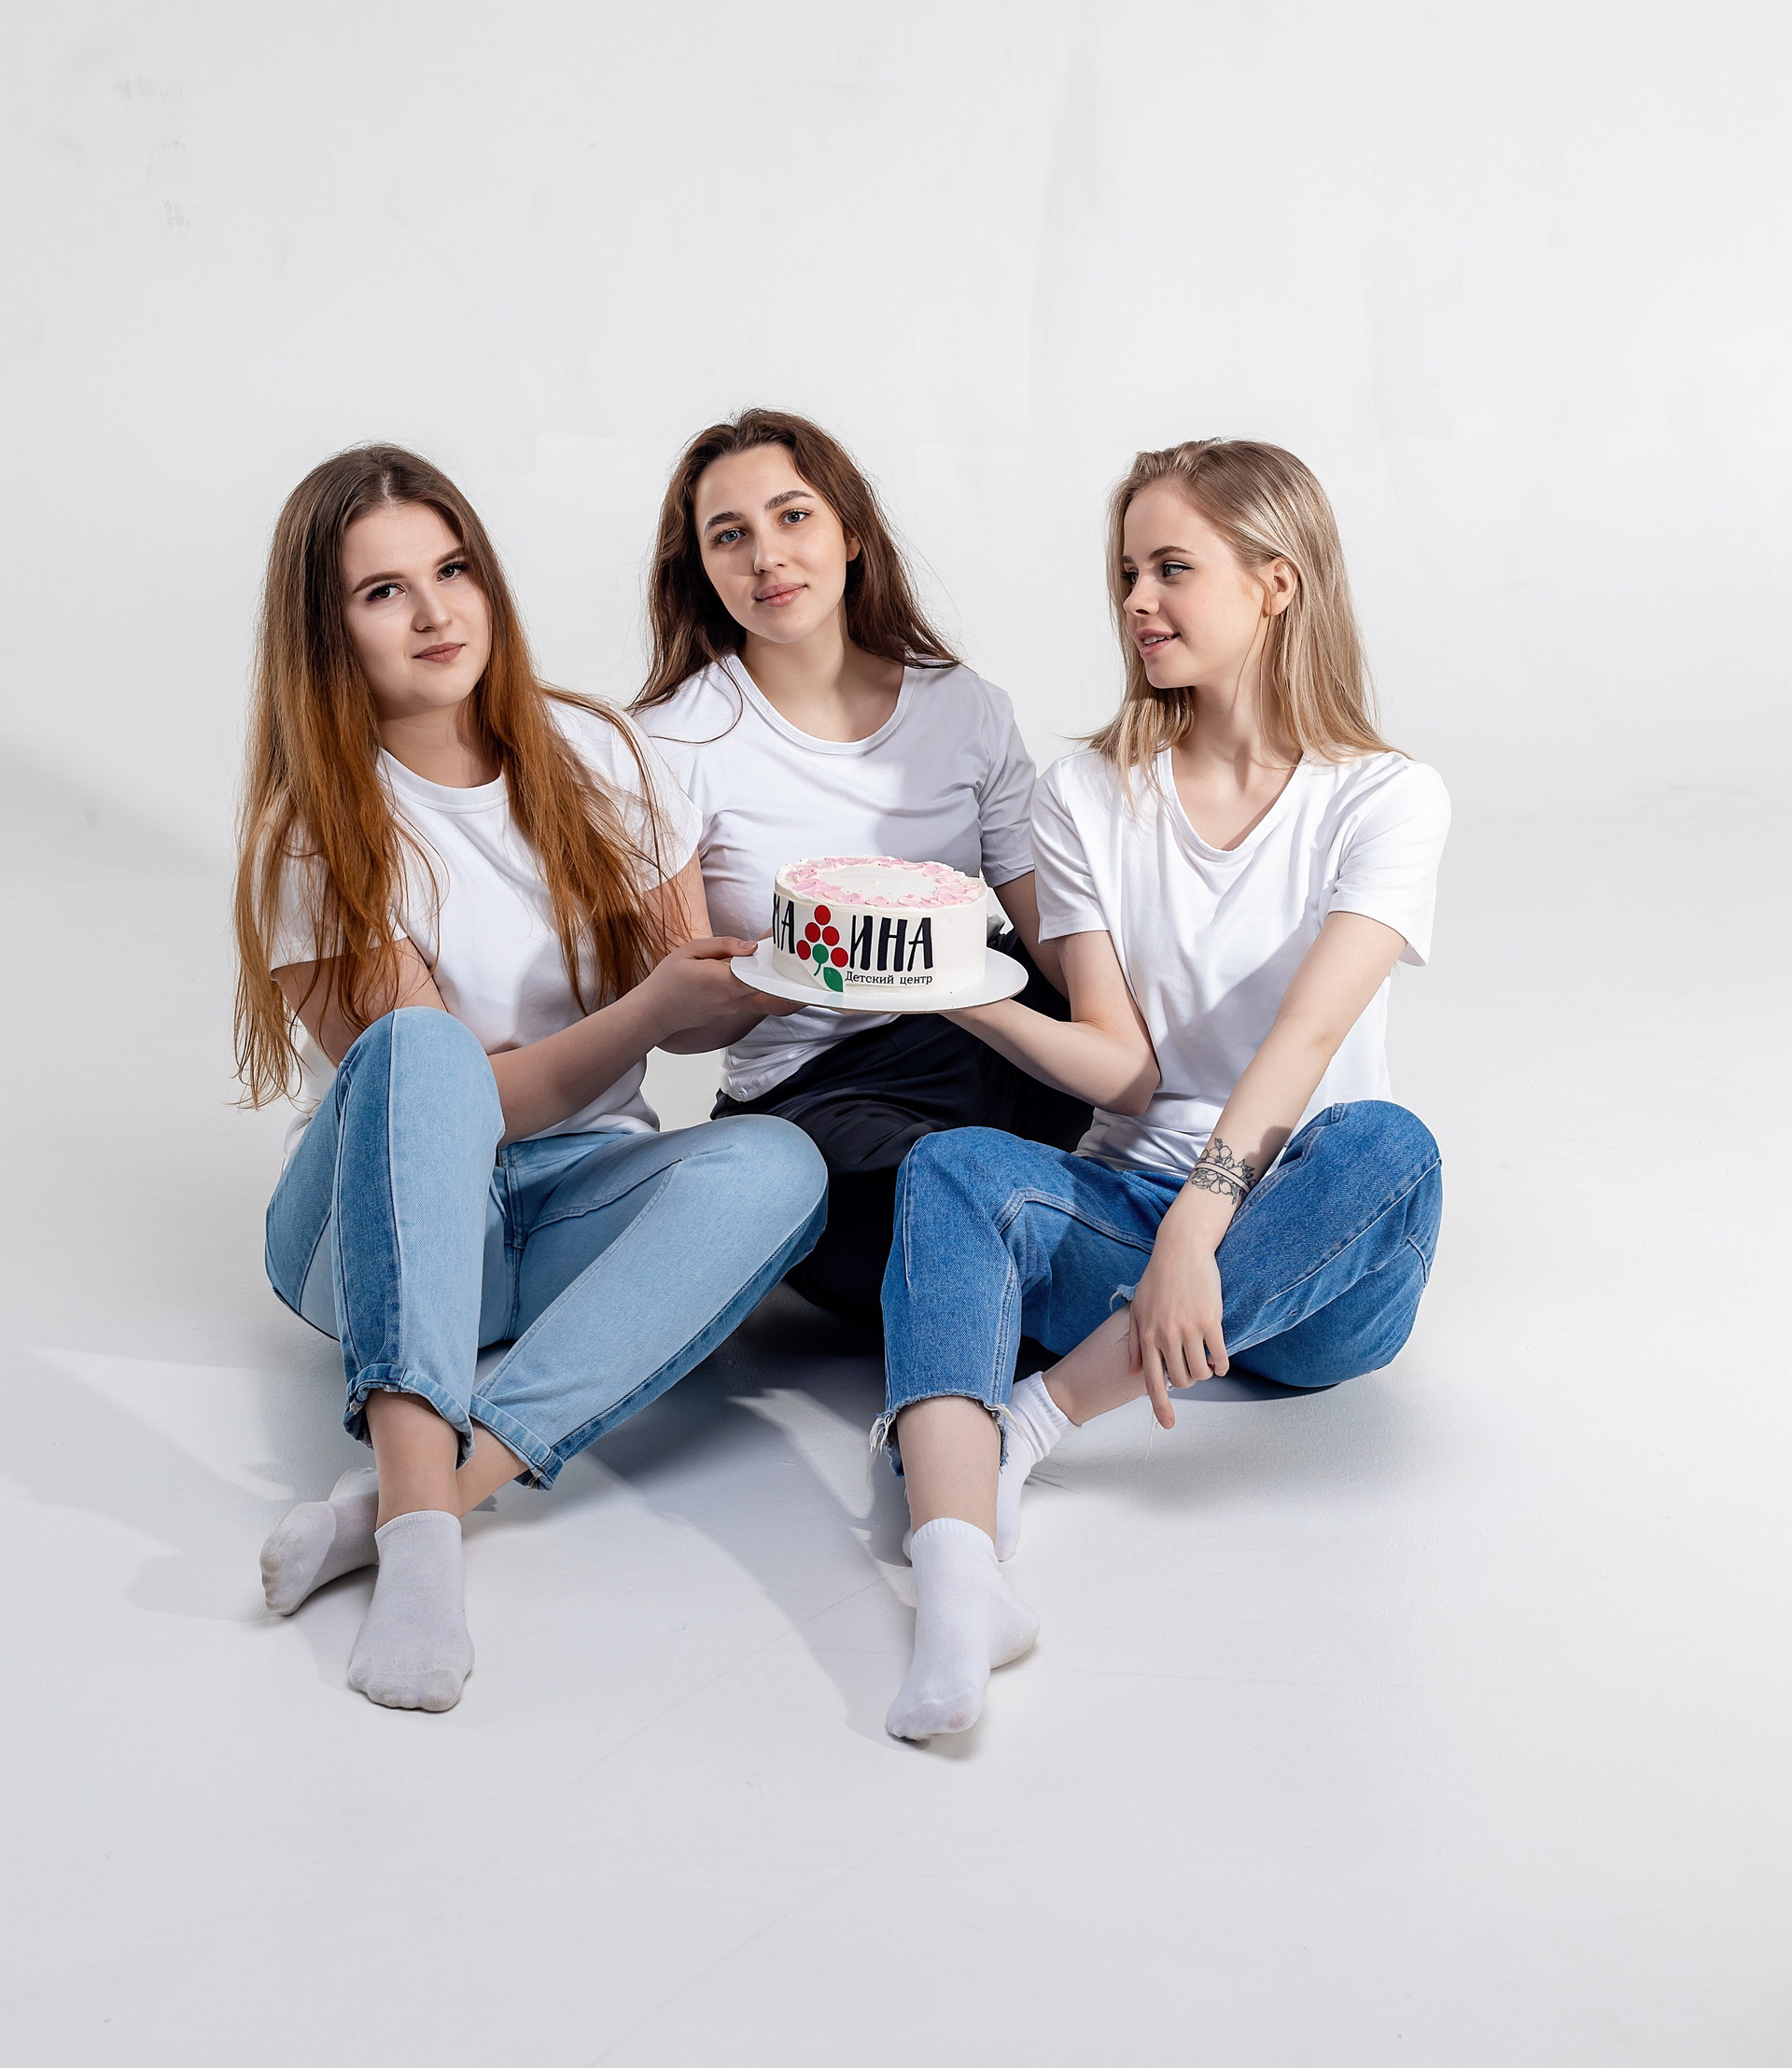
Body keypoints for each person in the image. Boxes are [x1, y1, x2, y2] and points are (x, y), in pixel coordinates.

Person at [877, 438, 1450, 1740]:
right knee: (950, 1166)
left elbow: (1307, 1040)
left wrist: (1200, 1227)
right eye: (1128, 572)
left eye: (1172, 569)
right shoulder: (1089, 793)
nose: (1136, 600)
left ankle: (1036, 1418)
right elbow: (1122, 1068)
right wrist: (950, 988)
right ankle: (958, 1571)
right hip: (1135, 1230)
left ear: (1276, 583)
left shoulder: (1387, 798)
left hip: (1310, 1264)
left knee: (1388, 1145)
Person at [237, 444, 824, 1713]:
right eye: (383, 591)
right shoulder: (315, 831)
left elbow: (682, 1014)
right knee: (424, 1048)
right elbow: (450, 1113)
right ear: (326, 632)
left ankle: (433, 1494)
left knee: (781, 1164)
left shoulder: (599, 752)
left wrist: (762, 980)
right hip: (378, 1228)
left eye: (452, 571)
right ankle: (421, 1551)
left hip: (566, 1202)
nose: (435, 613)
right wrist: (647, 1013)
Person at [635, 408, 1088, 1320]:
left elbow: (1059, 946)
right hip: (818, 1093)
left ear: (850, 531)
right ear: (702, 569)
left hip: (986, 1040)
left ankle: (1094, 1225)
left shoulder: (965, 708)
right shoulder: (667, 745)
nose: (767, 556)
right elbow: (684, 1028)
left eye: (793, 515)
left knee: (1125, 1005)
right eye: (730, 535)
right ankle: (1060, 1244)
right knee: (919, 1224)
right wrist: (810, 965)